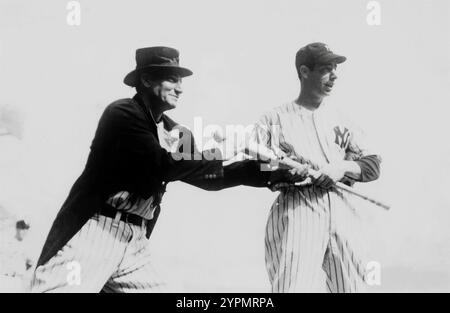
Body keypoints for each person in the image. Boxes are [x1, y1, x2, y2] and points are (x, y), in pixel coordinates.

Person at [30, 46, 301, 293]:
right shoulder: (122, 114)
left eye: (181, 81)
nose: (180, 88)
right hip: (94, 232)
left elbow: (209, 177)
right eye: (172, 79)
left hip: (135, 241)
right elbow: (161, 166)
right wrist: (232, 146)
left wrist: (272, 170)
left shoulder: (176, 131)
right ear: (146, 80)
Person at [251, 43, 382, 292]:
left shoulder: (342, 117)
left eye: (335, 69)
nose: (334, 75)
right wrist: (286, 172)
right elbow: (256, 165)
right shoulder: (274, 118)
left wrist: (341, 168)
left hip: (343, 210)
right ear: (304, 71)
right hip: (298, 209)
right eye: (325, 69)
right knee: (293, 288)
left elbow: (373, 165)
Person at [0, 219, 33, 292]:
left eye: (26, 229)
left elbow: (30, 263)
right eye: (23, 229)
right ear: (17, 229)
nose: (25, 232)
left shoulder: (26, 246)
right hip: (7, 278)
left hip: (19, 280)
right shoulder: (8, 243)